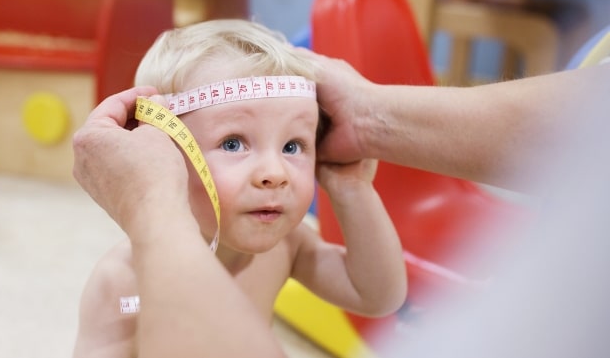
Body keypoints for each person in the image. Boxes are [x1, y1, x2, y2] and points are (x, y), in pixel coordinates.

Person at [71, 19, 407, 358]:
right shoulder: (123, 280)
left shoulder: (287, 247)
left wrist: (351, 188)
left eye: (292, 146)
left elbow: (377, 296)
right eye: (233, 144)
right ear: (160, 151)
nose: (275, 173)